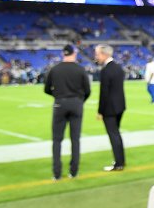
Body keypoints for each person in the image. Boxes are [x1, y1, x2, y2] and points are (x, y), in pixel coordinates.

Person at [44, 44, 90, 180]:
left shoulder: (55, 69)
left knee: (57, 140)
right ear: (74, 54)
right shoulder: (80, 69)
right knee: (75, 139)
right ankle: (74, 171)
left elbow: (46, 89)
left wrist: (58, 96)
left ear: (63, 54)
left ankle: (57, 173)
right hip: (76, 103)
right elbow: (87, 90)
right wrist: (79, 100)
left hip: (60, 103)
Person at [94, 44, 126, 172]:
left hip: (109, 109)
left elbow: (104, 93)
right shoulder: (118, 68)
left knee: (113, 135)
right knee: (117, 134)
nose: (96, 57)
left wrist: (100, 111)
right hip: (120, 106)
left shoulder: (106, 70)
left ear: (104, 54)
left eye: (97, 54)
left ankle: (118, 163)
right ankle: (121, 160)